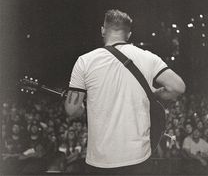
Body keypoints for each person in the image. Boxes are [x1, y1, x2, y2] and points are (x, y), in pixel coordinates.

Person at [65, 9, 185, 174]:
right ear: (128, 34)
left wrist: (81, 108)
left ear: (102, 30)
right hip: (138, 158)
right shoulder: (147, 57)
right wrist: (154, 94)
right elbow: (178, 87)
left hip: (100, 160)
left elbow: (71, 109)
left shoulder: (85, 61)